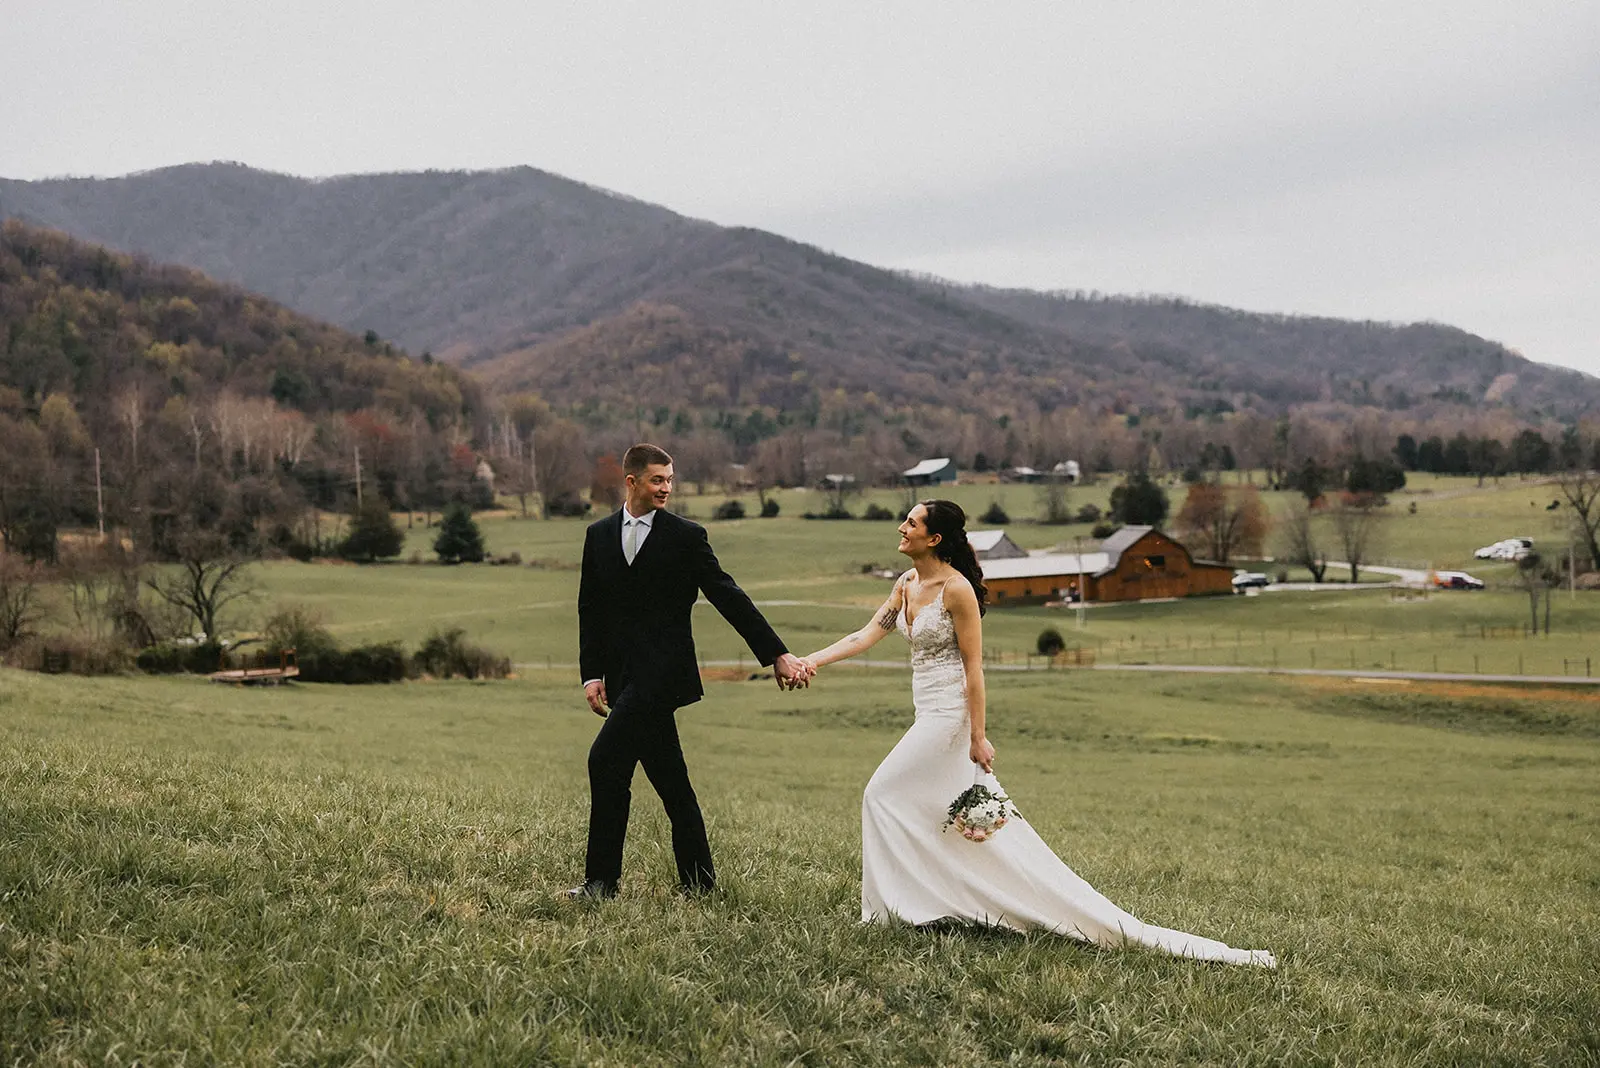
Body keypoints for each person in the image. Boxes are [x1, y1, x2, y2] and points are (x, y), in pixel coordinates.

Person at [799, 499, 1276, 967]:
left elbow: (974, 670)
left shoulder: (957, 590)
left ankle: (889, 910)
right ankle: (931, 900)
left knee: (880, 794)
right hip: (925, 711)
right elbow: (865, 634)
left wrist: (978, 736)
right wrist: (810, 661)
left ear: (934, 538)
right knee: (931, 810)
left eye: (911, 523)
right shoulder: (906, 584)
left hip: (949, 717)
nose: (902, 528)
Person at [572, 443, 813, 900]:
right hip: (622, 679)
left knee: (604, 762)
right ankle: (698, 884)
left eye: (670, 479)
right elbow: (591, 609)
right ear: (631, 482)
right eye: (657, 480)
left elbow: (727, 594)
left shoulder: (686, 536)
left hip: (662, 677)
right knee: (672, 784)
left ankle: (601, 884)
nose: (666, 488)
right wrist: (592, 674)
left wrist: (776, 654)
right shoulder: (598, 535)